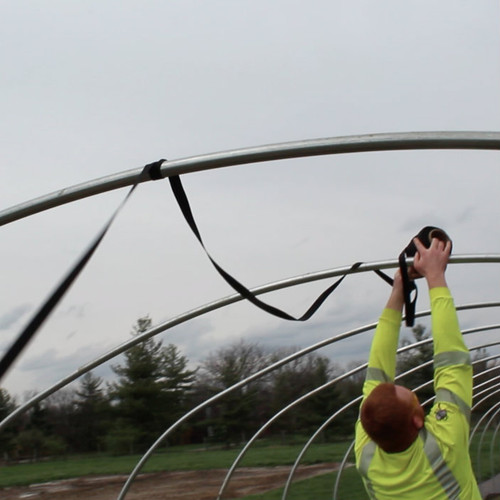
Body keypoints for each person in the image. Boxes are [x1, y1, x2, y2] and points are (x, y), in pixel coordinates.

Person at [354, 236, 481, 499]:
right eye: (415, 400)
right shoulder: (444, 447)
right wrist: (435, 276)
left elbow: (377, 375)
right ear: (417, 419)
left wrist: (399, 290)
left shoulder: (367, 456)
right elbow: (452, 362)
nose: (415, 394)